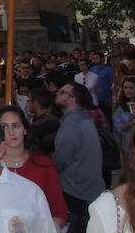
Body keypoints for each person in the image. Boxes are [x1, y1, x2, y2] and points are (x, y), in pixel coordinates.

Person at [0, 106, 68, 229]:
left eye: (16, 126)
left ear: (25, 129)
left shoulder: (44, 165)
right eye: (4, 127)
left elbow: (59, 213)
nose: (11, 132)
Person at [53, 82, 104, 233]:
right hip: (86, 188)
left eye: (62, 92)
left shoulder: (72, 123)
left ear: (72, 99)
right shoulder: (83, 119)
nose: (57, 93)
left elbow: (62, 158)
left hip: (77, 190)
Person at [112, 76, 135, 149]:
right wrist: (134, 122)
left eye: (131, 88)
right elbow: (118, 127)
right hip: (127, 143)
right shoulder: (120, 107)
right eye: (125, 88)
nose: (128, 90)